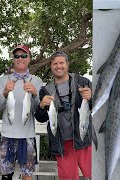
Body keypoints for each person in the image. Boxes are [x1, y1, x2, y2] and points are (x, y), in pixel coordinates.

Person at [35, 51, 92, 180]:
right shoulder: (45, 90)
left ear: (67, 64)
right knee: (68, 178)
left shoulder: (82, 82)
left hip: (83, 140)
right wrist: (41, 106)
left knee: (94, 174)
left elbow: (96, 106)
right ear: (51, 66)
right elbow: (41, 118)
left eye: (61, 63)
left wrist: (91, 97)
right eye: (55, 63)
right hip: (62, 144)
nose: (58, 66)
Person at [0, 45, 43, 180]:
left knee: (27, 175)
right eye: (17, 56)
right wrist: (5, 92)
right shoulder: (3, 80)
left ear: (29, 58)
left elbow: (37, 109)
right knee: (6, 174)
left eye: (24, 56)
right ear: (13, 59)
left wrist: (35, 94)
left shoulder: (37, 81)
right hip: (7, 135)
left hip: (27, 135)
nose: (20, 59)